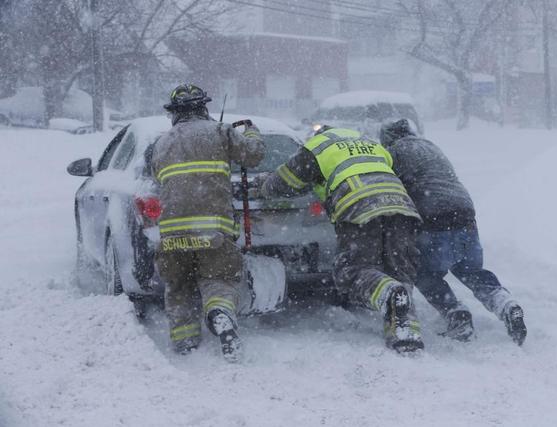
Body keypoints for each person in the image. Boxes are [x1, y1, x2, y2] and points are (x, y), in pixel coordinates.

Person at [255, 125, 425, 353]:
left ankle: (389, 293)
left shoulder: (317, 148)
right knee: (399, 268)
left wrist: (264, 184)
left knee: (353, 271)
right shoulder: (370, 142)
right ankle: (406, 332)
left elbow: (283, 184)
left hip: (360, 207)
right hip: (402, 208)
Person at [379, 119, 527, 346]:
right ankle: (505, 303)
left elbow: (390, 188)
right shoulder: (429, 145)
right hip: (464, 212)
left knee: (424, 273)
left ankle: (455, 313)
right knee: (470, 270)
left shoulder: (393, 153)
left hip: (432, 216)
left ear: (387, 139)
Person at [149, 83, 265, 361]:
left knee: (179, 286)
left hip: (172, 232)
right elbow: (254, 155)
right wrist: (250, 130)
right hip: (213, 230)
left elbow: (157, 180)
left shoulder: (161, 143)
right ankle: (220, 312)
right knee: (219, 279)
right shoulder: (221, 132)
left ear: (174, 113)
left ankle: (185, 344)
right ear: (203, 107)